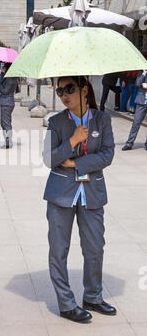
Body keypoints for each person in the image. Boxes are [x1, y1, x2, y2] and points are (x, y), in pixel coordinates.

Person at [43, 76, 116, 323]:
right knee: (59, 250)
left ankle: (93, 297)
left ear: (84, 90)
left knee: (95, 248)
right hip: (60, 194)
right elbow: (49, 159)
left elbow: (107, 155)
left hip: (92, 192)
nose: (64, 94)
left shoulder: (102, 120)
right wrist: (73, 140)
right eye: (60, 89)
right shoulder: (55, 122)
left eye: (70, 89)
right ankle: (66, 304)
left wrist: (75, 163)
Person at [122, 70, 147, 151]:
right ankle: (129, 143)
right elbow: (137, 83)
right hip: (141, 101)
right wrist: (143, 74)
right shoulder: (142, 71)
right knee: (136, 122)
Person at [0, 62, 17, 149]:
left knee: (6, 123)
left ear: (7, 68)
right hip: (7, 102)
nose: (3, 69)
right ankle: (7, 140)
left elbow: (5, 91)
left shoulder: (10, 78)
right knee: (4, 123)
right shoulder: (11, 77)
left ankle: (8, 142)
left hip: (7, 102)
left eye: (4, 67)